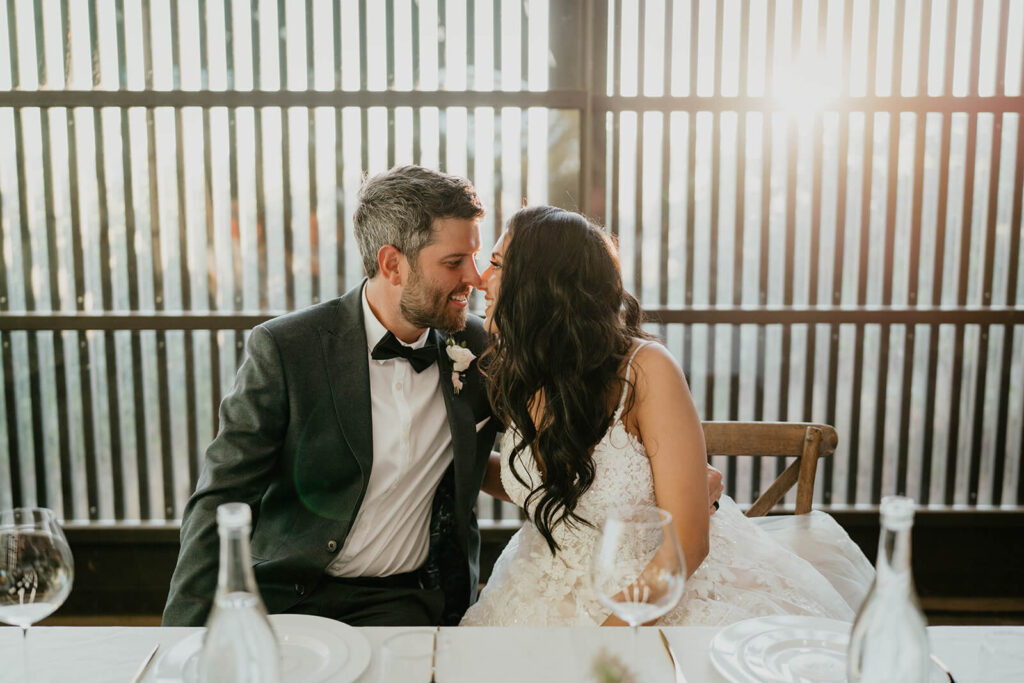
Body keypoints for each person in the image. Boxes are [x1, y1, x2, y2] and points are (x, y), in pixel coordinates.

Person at [460, 206, 874, 627]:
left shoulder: (647, 369)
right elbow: (549, 484)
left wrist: (606, 639)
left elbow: (688, 543)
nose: (479, 279)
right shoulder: (523, 365)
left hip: (659, 581)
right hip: (539, 582)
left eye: (496, 265)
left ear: (544, 283)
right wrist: (446, 466)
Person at [164, 166, 500, 627]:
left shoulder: (479, 350)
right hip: (290, 595)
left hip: (407, 601)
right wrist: (181, 639)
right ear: (392, 264)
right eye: (454, 262)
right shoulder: (287, 349)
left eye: (476, 258)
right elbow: (222, 496)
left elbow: (549, 445)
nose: (475, 278)